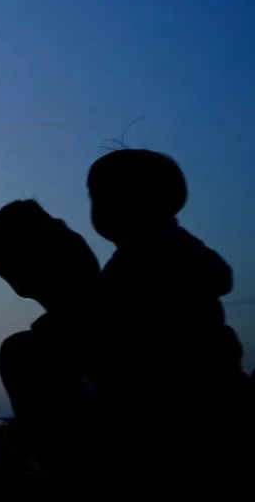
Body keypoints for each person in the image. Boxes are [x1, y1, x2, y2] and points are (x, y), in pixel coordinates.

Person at [86, 149, 247, 492]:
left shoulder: (137, 261)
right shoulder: (173, 246)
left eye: (99, 199)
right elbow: (221, 276)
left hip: (175, 391)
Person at [0, 199, 102, 487]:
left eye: (62, 229)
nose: (69, 243)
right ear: (20, 284)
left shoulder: (25, 353)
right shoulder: (28, 356)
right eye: (50, 242)